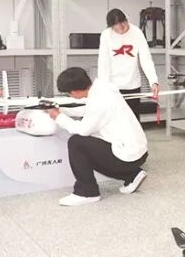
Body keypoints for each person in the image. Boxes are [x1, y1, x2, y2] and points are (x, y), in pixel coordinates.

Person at [49, 67, 149, 206]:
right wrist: (61, 110)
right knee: (90, 147)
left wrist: (58, 117)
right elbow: (87, 110)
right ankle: (132, 175)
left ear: (75, 91)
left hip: (127, 156)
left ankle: (87, 192)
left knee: (77, 143)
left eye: (68, 93)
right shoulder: (102, 89)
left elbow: (83, 130)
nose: (70, 96)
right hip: (137, 152)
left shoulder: (100, 101)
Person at [97, 8, 160, 119]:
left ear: (126, 20)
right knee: (114, 119)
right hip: (113, 86)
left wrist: (153, 81)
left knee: (133, 119)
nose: (121, 30)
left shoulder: (137, 32)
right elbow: (103, 62)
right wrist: (104, 86)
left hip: (133, 85)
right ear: (111, 27)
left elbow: (146, 58)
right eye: (116, 29)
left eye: (123, 26)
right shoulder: (106, 35)